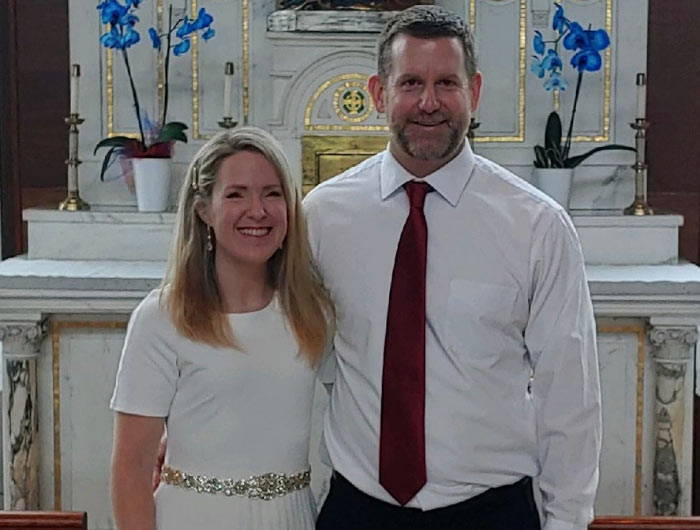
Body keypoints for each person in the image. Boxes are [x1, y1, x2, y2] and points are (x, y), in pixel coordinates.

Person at [304, 5, 601, 530]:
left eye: (447, 83)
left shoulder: (536, 226)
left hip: (491, 510)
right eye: (410, 82)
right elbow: (277, 346)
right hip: (360, 509)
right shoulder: (323, 217)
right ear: (378, 93)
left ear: (475, 91)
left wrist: (567, 521)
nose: (428, 103)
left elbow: (569, 395)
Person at [110, 126, 334, 530]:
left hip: (291, 515)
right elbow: (130, 468)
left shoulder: (311, 309)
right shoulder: (163, 316)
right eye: (236, 194)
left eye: (272, 193)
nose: (258, 210)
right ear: (204, 210)